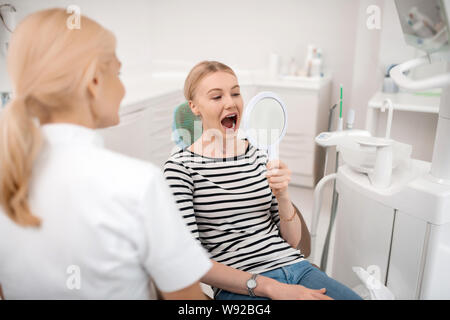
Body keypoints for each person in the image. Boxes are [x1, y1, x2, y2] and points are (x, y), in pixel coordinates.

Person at [0, 9, 211, 300]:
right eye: (118, 72)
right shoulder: (138, 183)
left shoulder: (8, 173)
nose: (123, 86)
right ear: (95, 82)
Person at [164, 61, 362, 300]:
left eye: (235, 93)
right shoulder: (180, 168)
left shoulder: (259, 154)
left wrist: (283, 195)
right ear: (194, 107)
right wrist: (270, 287)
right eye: (216, 97)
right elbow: (191, 262)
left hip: (298, 270)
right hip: (242, 288)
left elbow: (292, 241)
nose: (230, 102)